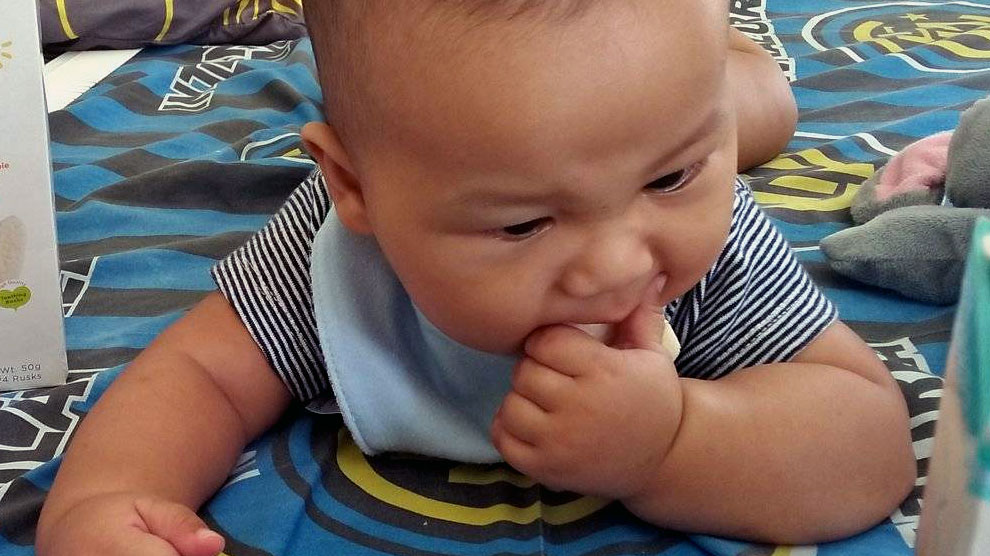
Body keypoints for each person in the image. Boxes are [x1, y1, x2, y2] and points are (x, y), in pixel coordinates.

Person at [36, 1, 916, 554]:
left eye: (672, 178)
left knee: (755, 112)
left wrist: (672, 442)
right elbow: (200, 373)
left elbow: (869, 445)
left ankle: (740, 90)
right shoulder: (334, 255)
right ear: (355, 189)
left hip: (709, 102)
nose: (619, 265)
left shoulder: (717, 249)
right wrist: (108, 501)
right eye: (523, 223)